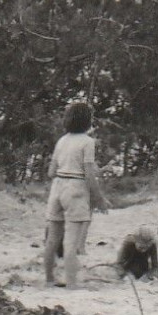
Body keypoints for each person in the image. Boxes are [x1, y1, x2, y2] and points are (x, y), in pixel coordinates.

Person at [42, 100, 111, 289]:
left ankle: (49, 279)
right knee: (71, 241)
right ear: (88, 122)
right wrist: (99, 199)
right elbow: (89, 175)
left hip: (57, 187)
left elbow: (50, 172)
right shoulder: (87, 142)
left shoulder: (62, 140)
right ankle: (71, 284)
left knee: (52, 239)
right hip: (76, 188)